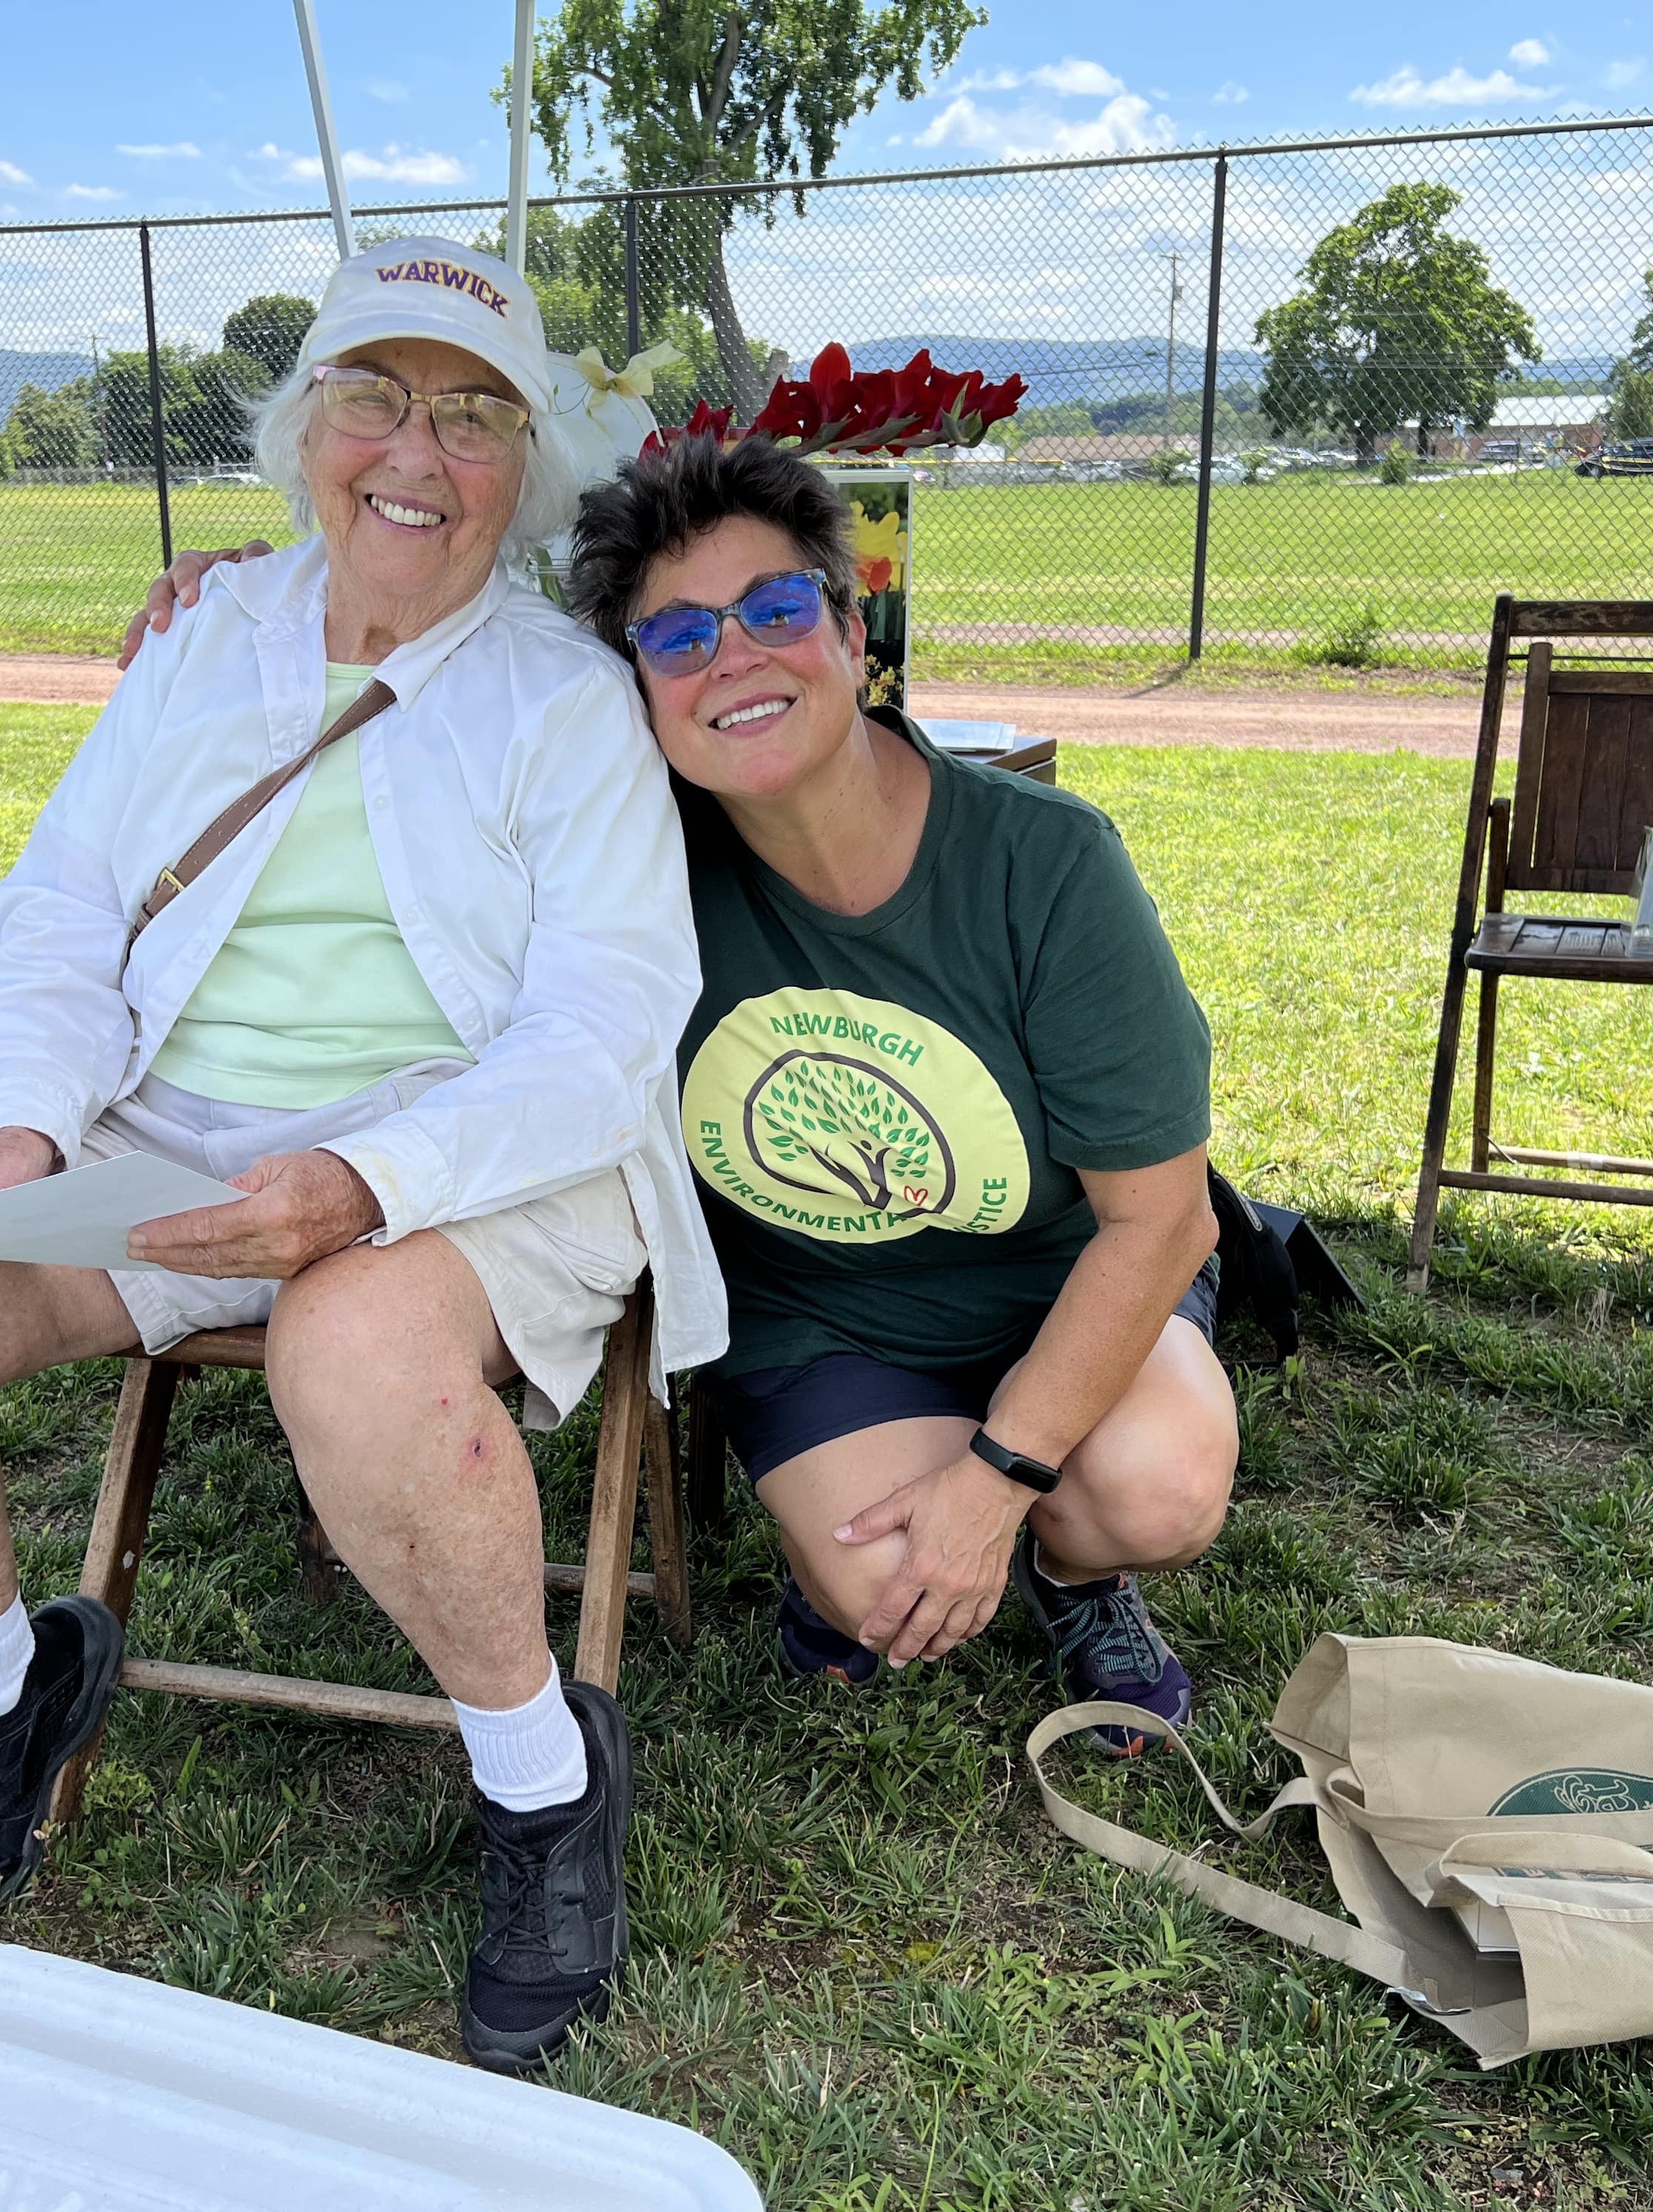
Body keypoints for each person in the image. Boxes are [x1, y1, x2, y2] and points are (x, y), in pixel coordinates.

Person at [0, 238, 726, 2075]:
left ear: (526, 468)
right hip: (171, 1140)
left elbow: (603, 1032)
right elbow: (59, 911)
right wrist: (19, 1134)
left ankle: (543, 1784)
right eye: (374, 396)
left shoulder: (563, 699)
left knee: (350, 1345)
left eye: (472, 415)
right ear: (303, 434)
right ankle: (0, 1699)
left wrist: (368, 1186)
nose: (415, 453)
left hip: (479, 1158)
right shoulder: (208, 641)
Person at [134, 435, 1235, 1746]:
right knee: (887, 1587)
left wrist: (998, 1481)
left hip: (1052, 1276)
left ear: (850, 628)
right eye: (676, 638)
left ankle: (1077, 1574)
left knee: (1155, 1489)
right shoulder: (625, 856)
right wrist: (271, 598)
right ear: (639, 688)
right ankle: (846, 1526)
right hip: (819, 1312)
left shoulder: (1040, 860)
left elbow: (1161, 1221)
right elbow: (448, 706)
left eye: (774, 609)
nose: (734, 660)